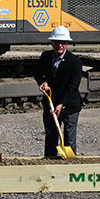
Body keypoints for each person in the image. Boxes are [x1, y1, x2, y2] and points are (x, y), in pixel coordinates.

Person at [34, 26, 82, 158]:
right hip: (50, 104)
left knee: (69, 138)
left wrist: (61, 104)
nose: (60, 45)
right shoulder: (46, 56)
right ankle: (50, 163)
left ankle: (69, 163)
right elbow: (38, 74)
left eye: (63, 42)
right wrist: (42, 83)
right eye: (56, 42)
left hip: (69, 105)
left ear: (67, 44)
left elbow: (72, 86)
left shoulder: (75, 61)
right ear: (52, 43)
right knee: (51, 136)